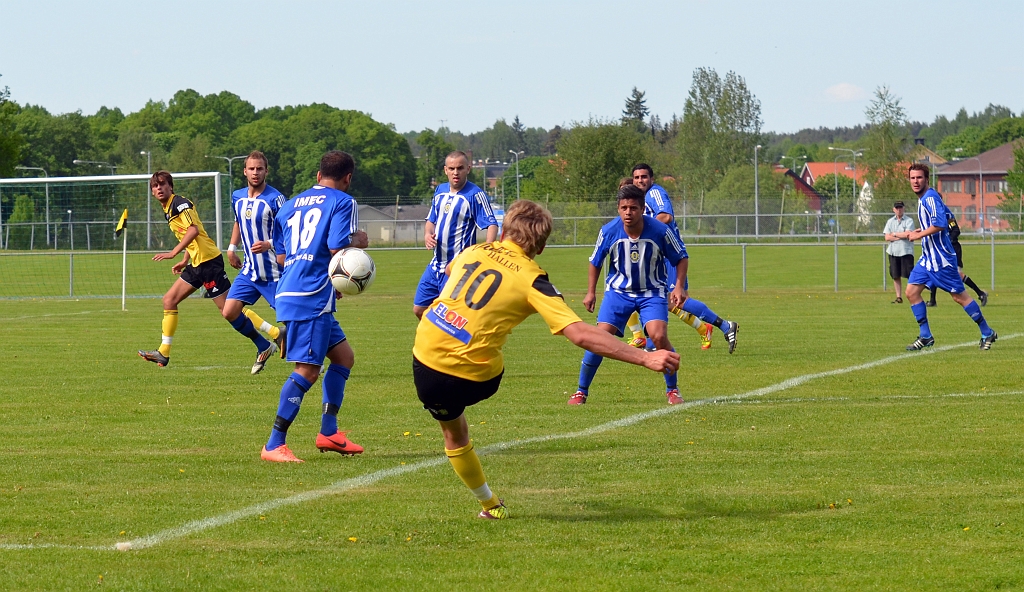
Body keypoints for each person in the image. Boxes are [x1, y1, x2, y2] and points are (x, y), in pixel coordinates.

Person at [412, 199, 679, 519]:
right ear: (539, 247)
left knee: (454, 433)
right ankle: (489, 505)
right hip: (473, 375)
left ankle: (490, 505)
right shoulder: (533, 277)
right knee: (487, 367)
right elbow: (580, 333)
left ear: (506, 229)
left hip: (424, 356)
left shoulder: (472, 251)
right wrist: (644, 357)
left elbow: (453, 272)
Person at [260, 150, 369, 463]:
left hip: (294, 289)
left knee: (343, 357)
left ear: (318, 174)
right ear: (347, 178)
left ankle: (329, 431)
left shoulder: (291, 204)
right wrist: (359, 240)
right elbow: (338, 245)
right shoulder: (343, 201)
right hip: (310, 295)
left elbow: (281, 256)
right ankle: (273, 444)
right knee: (307, 370)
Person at [569, 184, 687, 406]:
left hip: (651, 292)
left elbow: (681, 257)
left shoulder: (661, 232)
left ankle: (672, 389)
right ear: (618, 208)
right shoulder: (608, 231)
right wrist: (591, 292)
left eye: (633, 208)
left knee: (658, 336)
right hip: (618, 293)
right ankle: (580, 391)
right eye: (623, 208)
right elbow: (595, 262)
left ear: (642, 209)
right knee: (599, 338)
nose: (628, 213)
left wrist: (678, 286)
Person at [631, 163, 737, 352]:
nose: (640, 181)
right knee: (653, 296)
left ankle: (724, 326)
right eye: (637, 178)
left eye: (644, 177)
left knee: (677, 300)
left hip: (670, 254)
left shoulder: (654, 193)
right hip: (658, 256)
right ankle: (654, 342)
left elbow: (665, 216)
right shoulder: (642, 198)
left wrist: (643, 228)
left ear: (651, 179)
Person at [139, 171, 235, 367]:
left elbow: (194, 230)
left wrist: (173, 252)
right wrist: (184, 260)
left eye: (162, 184)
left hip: (208, 260)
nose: (158, 188)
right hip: (196, 262)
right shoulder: (168, 209)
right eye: (155, 186)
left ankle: (275, 333)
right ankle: (163, 353)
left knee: (228, 310)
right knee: (169, 300)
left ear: (170, 187)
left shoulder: (180, 204)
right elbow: (191, 239)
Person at [899, 163, 996, 351]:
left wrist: (918, 235)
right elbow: (946, 217)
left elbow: (941, 224)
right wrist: (922, 230)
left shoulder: (930, 198)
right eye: (912, 178)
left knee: (960, 297)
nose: (915, 181)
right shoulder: (925, 198)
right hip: (928, 258)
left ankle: (987, 332)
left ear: (927, 179)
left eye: (919, 178)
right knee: (911, 292)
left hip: (941, 259)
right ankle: (926, 336)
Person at [222, 151, 287, 374]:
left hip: (274, 272)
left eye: (260, 168)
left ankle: (314, 363)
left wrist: (269, 243)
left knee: (294, 321)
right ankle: (263, 345)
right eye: (252, 169)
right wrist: (231, 248)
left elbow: (287, 231)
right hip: (250, 271)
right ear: (245, 172)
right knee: (229, 312)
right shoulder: (237, 196)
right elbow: (239, 222)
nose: (255, 172)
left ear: (266, 171)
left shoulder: (276, 199)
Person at [413, 151, 498, 319]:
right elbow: (431, 220)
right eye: (451, 168)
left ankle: (449, 343)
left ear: (468, 168)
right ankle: (433, 340)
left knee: (448, 314)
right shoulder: (440, 190)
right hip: (435, 265)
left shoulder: (475, 194)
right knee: (419, 309)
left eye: (460, 168)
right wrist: (427, 235)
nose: (456, 172)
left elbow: (491, 224)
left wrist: (487, 251)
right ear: (445, 170)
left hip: (457, 268)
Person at [925, 209, 988, 307]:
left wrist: (947, 241)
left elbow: (956, 230)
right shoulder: (931, 217)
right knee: (935, 271)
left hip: (952, 249)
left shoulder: (947, 215)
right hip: (940, 250)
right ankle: (932, 300)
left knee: (958, 275)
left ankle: (980, 293)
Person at [883, 201, 916, 304]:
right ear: (894, 209)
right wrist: (899, 236)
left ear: (903, 208)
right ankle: (899, 297)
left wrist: (894, 234)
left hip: (905, 251)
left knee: (910, 275)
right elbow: (887, 237)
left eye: (900, 207)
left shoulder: (909, 221)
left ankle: (913, 295)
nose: (899, 210)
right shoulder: (890, 221)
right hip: (893, 252)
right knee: (895, 275)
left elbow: (908, 235)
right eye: (897, 208)